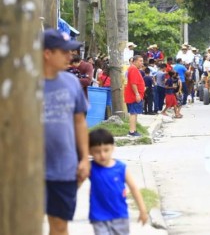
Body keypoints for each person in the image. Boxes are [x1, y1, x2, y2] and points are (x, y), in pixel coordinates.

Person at [43, 29, 90, 235]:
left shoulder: (71, 82)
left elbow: (79, 122)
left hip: (63, 167)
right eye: (64, 52)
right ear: (47, 53)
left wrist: (84, 159)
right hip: (28, 169)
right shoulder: (22, 83)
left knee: (60, 225)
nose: (70, 56)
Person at [88, 128, 148, 234]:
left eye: (106, 150)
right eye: (97, 152)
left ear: (113, 148)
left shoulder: (121, 168)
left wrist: (142, 210)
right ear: (90, 151)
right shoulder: (90, 168)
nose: (102, 155)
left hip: (120, 216)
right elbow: (75, 184)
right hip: (99, 217)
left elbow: (134, 188)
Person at [124, 55, 145, 137]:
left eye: (142, 61)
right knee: (133, 113)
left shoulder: (132, 69)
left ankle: (134, 130)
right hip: (133, 96)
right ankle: (132, 131)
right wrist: (137, 94)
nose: (142, 63)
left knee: (135, 113)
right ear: (135, 61)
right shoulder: (133, 69)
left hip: (134, 95)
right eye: (140, 61)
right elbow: (133, 83)